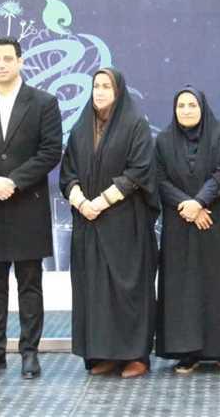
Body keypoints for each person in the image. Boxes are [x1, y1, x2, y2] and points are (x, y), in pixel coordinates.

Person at [0, 37, 63, 380]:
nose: (2, 64)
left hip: (28, 205)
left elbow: (50, 151)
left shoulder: (44, 102)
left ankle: (30, 353)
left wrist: (14, 181)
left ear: (20, 61)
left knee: (30, 285)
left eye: (8, 58)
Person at [59, 68, 158, 379]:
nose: (99, 91)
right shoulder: (81, 128)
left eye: (106, 86)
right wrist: (82, 203)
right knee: (94, 290)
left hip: (125, 223)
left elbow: (139, 172)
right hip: (88, 223)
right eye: (96, 86)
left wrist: (100, 202)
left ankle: (135, 356)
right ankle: (104, 354)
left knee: (126, 290)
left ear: (119, 92)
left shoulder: (135, 125)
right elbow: (67, 173)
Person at [155, 86, 220, 373]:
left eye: (192, 105)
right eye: (181, 105)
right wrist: (186, 205)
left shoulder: (218, 135)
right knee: (183, 289)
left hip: (214, 223)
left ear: (202, 108)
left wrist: (199, 202)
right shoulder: (163, 141)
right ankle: (187, 353)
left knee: (218, 286)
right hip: (180, 224)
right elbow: (159, 179)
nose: (186, 110)